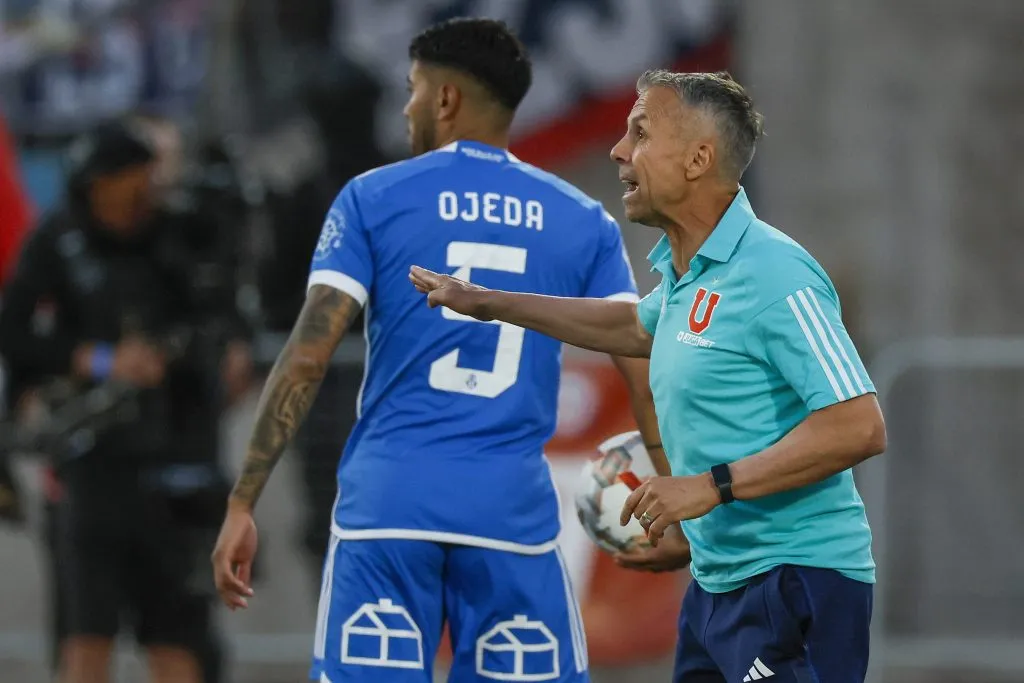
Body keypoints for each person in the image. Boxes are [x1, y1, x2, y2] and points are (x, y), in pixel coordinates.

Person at [211, 17, 662, 683]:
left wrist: (244, 500)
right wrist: (675, 484)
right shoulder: (582, 220)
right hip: (510, 514)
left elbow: (308, 355)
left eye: (413, 89)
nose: (406, 107)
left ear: (445, 99)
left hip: (389, 509)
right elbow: (640, 359)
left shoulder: (374, 198)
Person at [409, 70, 887, 683]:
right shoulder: (690, 278)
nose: (617, 151)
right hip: (718, 585)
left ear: (697, 158)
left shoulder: (776, 274)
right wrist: (489, 302)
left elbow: (859, 425)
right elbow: (634, 328)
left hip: (794, 583)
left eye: (640, 132)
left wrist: (709, 487)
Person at [0, 119, 246, 683]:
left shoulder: (182, 233)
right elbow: (12, 331)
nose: (144, 191)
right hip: (93, 465)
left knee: (176, 639)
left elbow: (223, 316)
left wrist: (221, 353)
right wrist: (99, 359)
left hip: (177, 461)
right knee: (86, 638)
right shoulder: (60, 238)